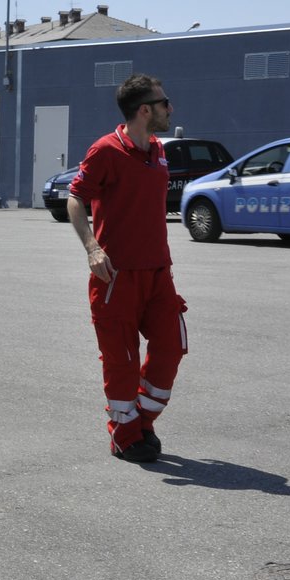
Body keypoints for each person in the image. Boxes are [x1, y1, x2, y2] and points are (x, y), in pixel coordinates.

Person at [66, 74, 188, 464]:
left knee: (172, 346)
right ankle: (124, 435)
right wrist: (92, 249)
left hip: (158, 273)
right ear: (144, 110)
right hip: (115, 277)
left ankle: (139, 421)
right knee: (121, 361)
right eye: (164, 102)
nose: (171, 108)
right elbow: (74, 199)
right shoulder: (105, 150)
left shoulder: (158, 150)